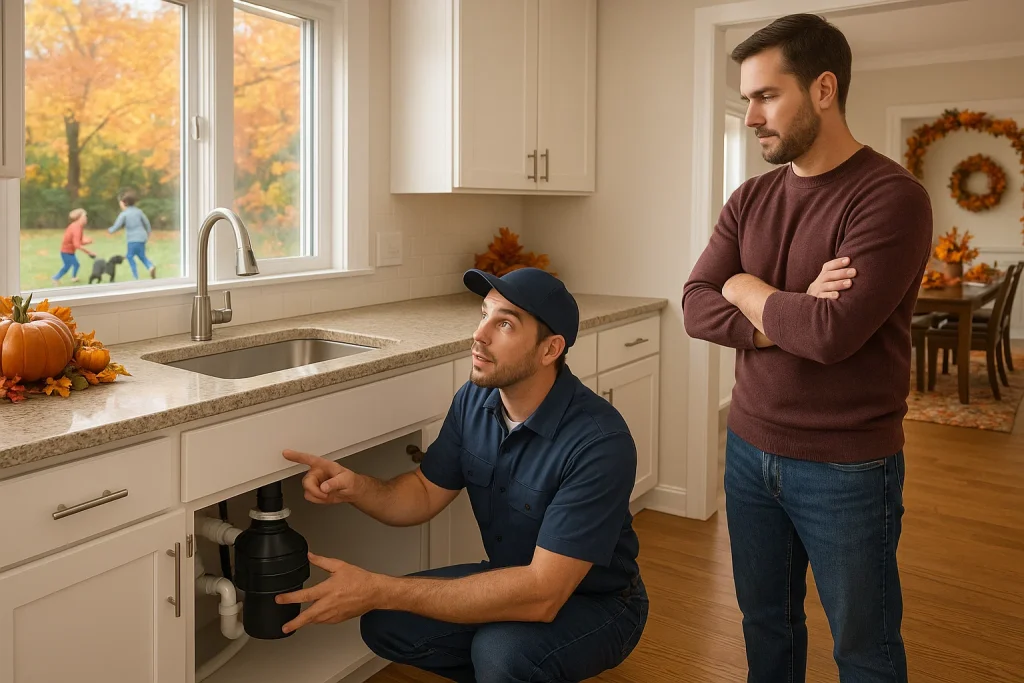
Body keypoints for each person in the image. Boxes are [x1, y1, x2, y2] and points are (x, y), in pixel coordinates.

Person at [681, 14, 932, 683]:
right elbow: (694, 303)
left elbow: (831, 334)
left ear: (824, 89)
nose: (750, 116)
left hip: (848, 467)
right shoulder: (749, 199)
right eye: (746, 100)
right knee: (765, 625)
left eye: (766, 96)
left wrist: (743, 285)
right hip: (748, 449)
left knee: (865, 648)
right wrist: (765, 298)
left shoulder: (891, 198)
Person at [277, 267, 648, 683]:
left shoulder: (598, 441)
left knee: (501, 652)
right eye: (483, 314)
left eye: (504, 323)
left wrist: (378, 586)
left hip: (598, 602)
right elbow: (422, 492)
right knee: (385, 621)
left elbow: (543, 593)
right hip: (511, 578)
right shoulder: (475, 400)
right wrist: (355, 486)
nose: (480, 334)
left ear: (550, 350)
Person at [107, 189, 156, 279]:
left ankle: (135, 276)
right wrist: (149, 232)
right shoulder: (139, 211)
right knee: (141, 255)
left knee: (129, 256)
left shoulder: (124, 214)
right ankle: (150, 266)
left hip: (132, 239)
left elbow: (117, 225)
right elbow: (146, 222)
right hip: (142, 237)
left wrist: (110, 230)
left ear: (124, 203)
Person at [52, 208, 96, 285]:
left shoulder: (78, 226)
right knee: (68, 266)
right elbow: (77, 245)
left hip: (69, 251)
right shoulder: (76, 228)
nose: (86, 218)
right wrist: (89, 252)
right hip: (66, 252)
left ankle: (73, 277)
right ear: (79, 218)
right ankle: (56, 278)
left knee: (73, 265)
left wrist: (87, 241)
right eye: (84, 216)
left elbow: (78, 242)